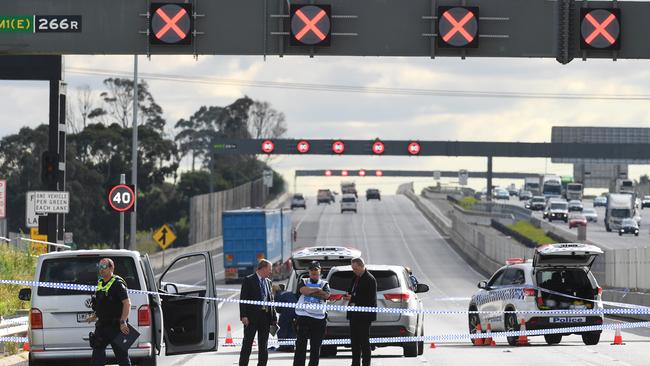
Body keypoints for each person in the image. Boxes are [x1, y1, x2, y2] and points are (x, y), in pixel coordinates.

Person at [86, 258, 132, 366]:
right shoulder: (100, 283)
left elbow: (127, 303)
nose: (101, 270)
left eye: (104, 267)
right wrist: (95, 315)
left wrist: (123, 321)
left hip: (116, 327)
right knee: (96, 358)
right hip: (102, 327)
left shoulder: (118, 284)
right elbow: (103, 304)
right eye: (99, 267)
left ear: (112, 268)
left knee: (122, 358)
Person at [239, 259, 277, 366]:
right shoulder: (249, 280)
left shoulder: (268, 282)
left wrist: (274, 317)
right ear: (263, 268)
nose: (270, 272)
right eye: (269, 269)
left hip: (265, 318)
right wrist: (243, 316)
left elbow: (271, 300)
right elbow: (243, 299)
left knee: (263, 346)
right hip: (251, 318)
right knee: (247, 344)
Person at [292, 261, 331, 366]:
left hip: (318, 319)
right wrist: (317, 290)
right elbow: (303, 290)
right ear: (309, 272)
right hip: (304, 317)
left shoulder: (324, 283)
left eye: (316, 272)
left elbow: (326, 295)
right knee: (300, 346)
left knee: (315, 347)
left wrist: (312, 291)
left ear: (320, 271)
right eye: (312, 272)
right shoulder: (303, 281)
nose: (314, 274)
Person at [342, 257, 377, 366]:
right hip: (354, 314)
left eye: (356, 269)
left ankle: (366, 363)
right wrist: (347, 295)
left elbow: (369, 299)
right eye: (353, 268)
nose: (354, 271)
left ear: (362, 266)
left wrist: (352, 298)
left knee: (364, 342)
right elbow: (352, 291)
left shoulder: (370, 279)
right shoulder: (355, 278)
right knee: (354, 342)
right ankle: (355, 363)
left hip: (364, 316)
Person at [274, 283, 298, 352]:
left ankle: (283, 346)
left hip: (286, 311)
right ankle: (291, 346)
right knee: (291, 328)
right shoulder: (289, 293)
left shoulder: (278, 294)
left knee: (282, 328)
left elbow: (277, 308)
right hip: (296, 311)